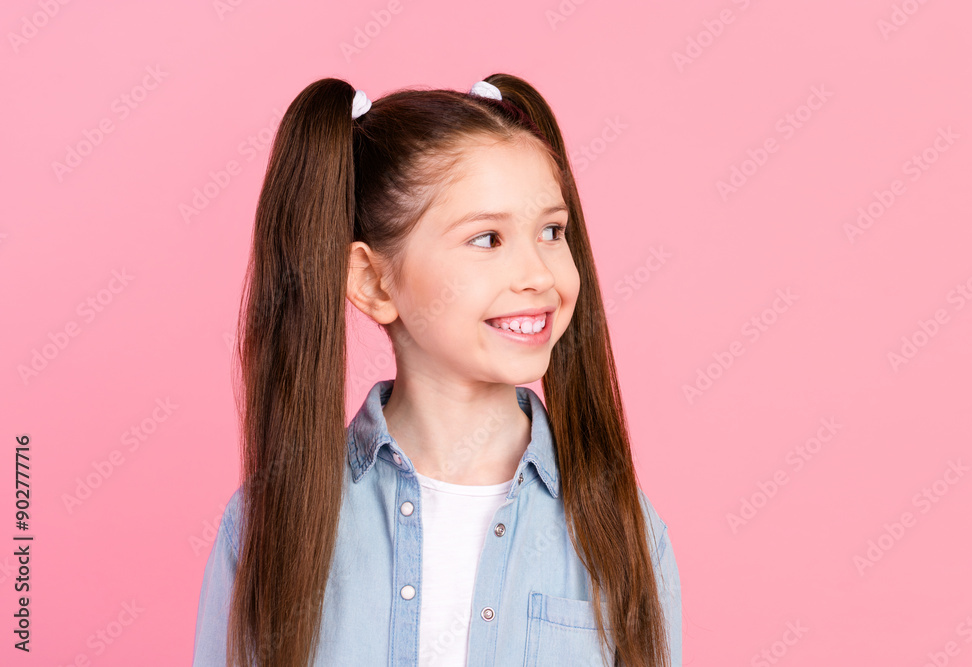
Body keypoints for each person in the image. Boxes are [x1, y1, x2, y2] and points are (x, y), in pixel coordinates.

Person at [192, 73, 681, 667]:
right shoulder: (266, 528)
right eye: (487, 239)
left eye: (552, 231)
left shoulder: (625, 532)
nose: (539, 275)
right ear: (372, 281)